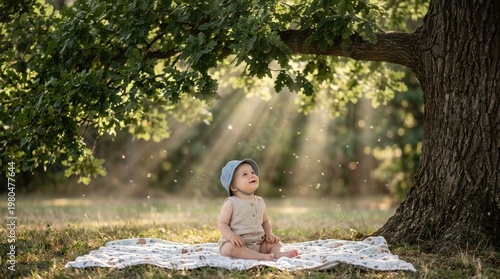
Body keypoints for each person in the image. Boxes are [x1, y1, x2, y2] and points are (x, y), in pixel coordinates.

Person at [217, 158, 299, 261]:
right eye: (245, 174)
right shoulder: (231, 203)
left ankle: (280, 254)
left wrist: (269, 234)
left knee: (274, 243)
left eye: (252, 172)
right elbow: (222, 224)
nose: (251, 175)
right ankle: (261, 257)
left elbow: (265, 221)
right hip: (238, 244)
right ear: (233, 187)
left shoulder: (260, 201)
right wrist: (232, 237)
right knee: (229, 248)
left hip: (259, 244)